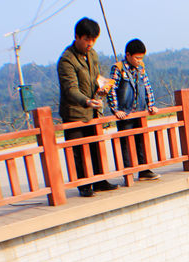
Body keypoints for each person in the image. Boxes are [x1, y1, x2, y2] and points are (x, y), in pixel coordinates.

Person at [57, 17, 118, 197]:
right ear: (77, 37)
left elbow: (95, 77)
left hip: (93, 109)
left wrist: (103, 86)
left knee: (95, 146)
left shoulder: (93, 55)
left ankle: (100, 181)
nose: (90, 43)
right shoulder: (66, 60)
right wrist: (86, 101)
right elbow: (70, 89)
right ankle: (83, 185)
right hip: (75, 113)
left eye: (93, 40)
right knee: (78, 150)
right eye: (87, 40)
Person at [108, 38, 159, 181]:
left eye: (141, 58)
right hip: (125, 113)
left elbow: (147, 86)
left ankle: (144, 170)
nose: (138, 60)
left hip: (140, 110)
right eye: (136, 58)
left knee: (141, 140)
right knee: (126, 143)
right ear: (128, 55)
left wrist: (151, 104)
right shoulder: (118, 68)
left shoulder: (141, 67)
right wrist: (115, 109)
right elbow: (112, 89)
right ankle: (128, 173)